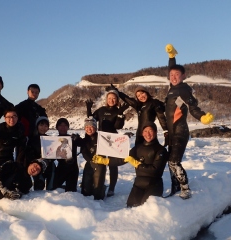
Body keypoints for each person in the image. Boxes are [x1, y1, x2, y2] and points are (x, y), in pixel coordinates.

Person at [164, 44, 214, 199]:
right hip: (171, 133)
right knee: (170, 163)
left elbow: (193, 107)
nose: (173, 76)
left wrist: (202, 117)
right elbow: (172, 69)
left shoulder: (184, 89)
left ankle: (185, 189)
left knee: (173, 161)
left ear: (183, 76)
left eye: (177, 75)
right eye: (171, 75)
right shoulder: (172, 87)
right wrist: (172, 57)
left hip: (180, 131)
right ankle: (175, 187)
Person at [92, 122, 168, 207]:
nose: (148, 134)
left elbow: (155, 170)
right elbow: (122, 159)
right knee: (131, 207)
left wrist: (137, 164)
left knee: (147, 209)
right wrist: (105, 161)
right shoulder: (138, 148)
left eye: (150, 131)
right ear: (142, 133)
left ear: (156, 132)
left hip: (154, 184)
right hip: (138, 184)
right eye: (145, 131)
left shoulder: (161, 150)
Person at [85, 90, 129, 197]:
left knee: (112, 164)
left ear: (117, 100)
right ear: (106, 100)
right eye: (109, 98)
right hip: (101, 139)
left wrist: (120, 114)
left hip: (113, 140)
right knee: (99, 162)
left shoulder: (119, 111)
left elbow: (118, 126)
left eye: (114, 98)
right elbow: (91, 120)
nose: (111, 100)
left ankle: (111, 188)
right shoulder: (101, 110)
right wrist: (89, 109)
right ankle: (98, 183)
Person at [25, 116, 56, 190]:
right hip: (36, 166)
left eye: (46, 126)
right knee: (39, 187)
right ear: (37, 126)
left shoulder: (50, 139)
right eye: (41, 125)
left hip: (49, 166)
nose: (43, 128)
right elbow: (28, 154)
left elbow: (54, 154)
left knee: (51, 188)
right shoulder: (31, 140)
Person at [80, 117, 107, 200]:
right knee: (85, 193)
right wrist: (91, 160)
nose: (89, 129)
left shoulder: (102, 138)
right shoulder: (84, 140)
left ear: (95, 128)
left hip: (100, 164)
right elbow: (84, 152)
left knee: (98, 196)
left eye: (91, 126)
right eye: (87, 127)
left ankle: (102, 187)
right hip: (90, 163)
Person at [53, 118, 81, 192]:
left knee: (71, 192)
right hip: (61, 168)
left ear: (68, 127)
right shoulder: (54, 140)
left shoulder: (72, 138)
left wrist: (78, 138)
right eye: (60, 125)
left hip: (73, 168)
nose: (63, 127)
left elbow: (83, 144)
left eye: (65, 125)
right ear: (57, 127)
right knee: (54, 190)